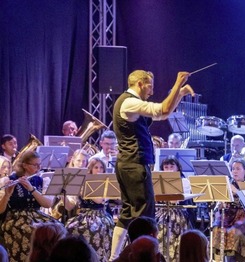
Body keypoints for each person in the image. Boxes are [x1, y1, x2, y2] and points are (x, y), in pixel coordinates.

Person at [110, 70, 194, 260]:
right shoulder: (130, 102)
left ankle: (114, 257)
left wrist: (178, 94)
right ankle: (142, 257)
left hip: (127, 164)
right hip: (134, 164)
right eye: (150, 86)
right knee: (144, 215)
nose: (152, 91)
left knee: (127, 212)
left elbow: (162, 114)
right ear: (140, 84)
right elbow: (163, 110)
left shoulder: (130, 103)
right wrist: (177, 83)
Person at [0, 151, 58, 261]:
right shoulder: (9, 180)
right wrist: (7, 194)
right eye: (35, 165)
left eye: (40, 164)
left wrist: (32, 189)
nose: (39, 167)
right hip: (15, 218)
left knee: (57, 228)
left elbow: (47, 203)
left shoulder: (42, 180)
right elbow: (0, 210)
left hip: (36, 216)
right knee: (30, 232)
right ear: (25, 165)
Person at [65, 158, 114, 262]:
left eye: (101, 168)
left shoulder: (106, 183)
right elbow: (69, 206)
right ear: (90, 169)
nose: (99, 170)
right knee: (71, 227)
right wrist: (62, 195)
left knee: (98, 228)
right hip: (84, 216)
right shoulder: (83, 182)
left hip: (101, 216)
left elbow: (99, 200)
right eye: (96, 167)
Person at [211, 158, 245, 262]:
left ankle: (236, 259)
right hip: (228, 216)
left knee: (234, 232)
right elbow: (218, 207)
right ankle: (220, 259)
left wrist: (237, 191)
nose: (235, 171)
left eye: (238, 169)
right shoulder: (227, 185)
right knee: (218, 228)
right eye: (233, 169)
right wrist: (221, 204)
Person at [156, 156, 193, 261]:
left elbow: (176, 200)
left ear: (178, 168)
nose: (169, 169)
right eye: (166, 167)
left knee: (174, 223)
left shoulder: (184, 181)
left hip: (178, 213)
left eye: (172, 166)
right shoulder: (158, 180)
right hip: (161, 213)